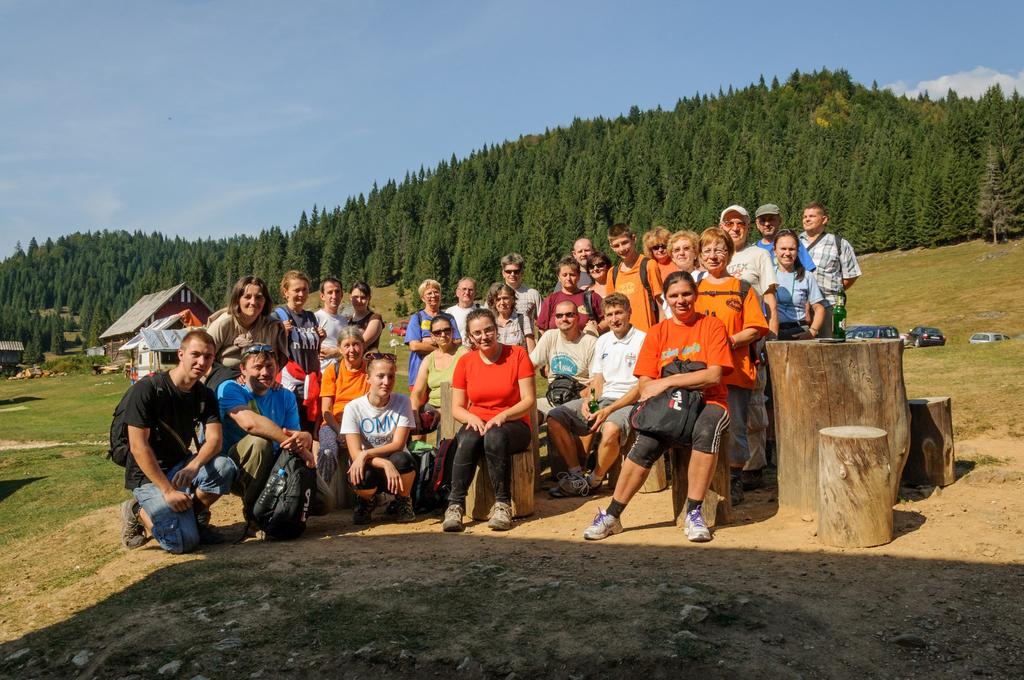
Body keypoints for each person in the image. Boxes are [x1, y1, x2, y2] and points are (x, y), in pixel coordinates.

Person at [582, 272, 733, 543]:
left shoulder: (712, 326)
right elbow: (646, 383)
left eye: (686, 294)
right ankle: (613, 515)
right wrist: (667, 385)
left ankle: (694, 512)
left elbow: (713, 376)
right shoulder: (658, 332)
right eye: (674, 296)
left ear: (695, 295)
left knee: (707, 429)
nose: (681, 300)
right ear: (666, 299)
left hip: (710, 400)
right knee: (647, 442)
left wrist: (670, 380)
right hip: (668, 404)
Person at [118, 330, 235, 554]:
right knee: (183, 543)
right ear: (180, 354)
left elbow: (214, 439)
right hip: (148, 476)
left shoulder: (204, 394)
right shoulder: (148, 390)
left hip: (180, 465)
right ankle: (137, 511)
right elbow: (138, 446)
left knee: (224, 467)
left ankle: (193, 517)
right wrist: (167, 490)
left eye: (208, 357)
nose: (202, 361)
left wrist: (193, 465)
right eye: (196, 354)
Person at [693, 228, 769, 505]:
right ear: (700, 256)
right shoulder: (694, 289)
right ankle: (705, 480)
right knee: (700, 426)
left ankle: (735, 481)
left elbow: (756, 328)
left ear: (729, 253)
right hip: (700, 373)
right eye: (707, 250)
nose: (713, 255)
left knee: (736, 427)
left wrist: (728, 341)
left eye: (719, 249)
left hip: (734, 370)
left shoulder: (743, 288)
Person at [442, 309, 536, 533]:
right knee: (466, 439)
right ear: (470, 336)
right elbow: (457, 407)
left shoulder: (518, 354)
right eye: (477, 333)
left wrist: (503, 415)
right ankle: (455, 505)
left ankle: (502, 504)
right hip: (479, 422)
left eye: (488, 330)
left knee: (495, 436)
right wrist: (471, 417)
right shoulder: (465, 362)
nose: (484, 336)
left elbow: (529, 399)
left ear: (496, 329)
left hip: (513, 423)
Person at [546, 293, 645, 497]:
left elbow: (641, 387)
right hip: (602, 399)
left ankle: (594, 480)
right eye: (609, 314)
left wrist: (609, 409)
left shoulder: (642, 340)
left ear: (629, 313)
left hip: (629, 402)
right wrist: (590, 400)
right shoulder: (603, 341)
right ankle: (576, 476)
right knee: (555, 417)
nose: (614, 319)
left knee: (610, 428)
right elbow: (597, 379)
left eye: (619, 313)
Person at [217, 343, 324, 520]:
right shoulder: (230, 388)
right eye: (257, 367)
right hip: (235, 470)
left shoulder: (285, 395)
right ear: (242, 369)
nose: (265, 373)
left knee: (324, 501)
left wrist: (304, 438)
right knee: (259, 442)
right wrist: (300, 448)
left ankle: (282, 507)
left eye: (269, 367)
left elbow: (293, 435)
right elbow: (250, 424)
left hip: (276, 464)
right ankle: (254, 516)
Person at [341, 354, 417, 525]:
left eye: (391, 376)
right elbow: (355, 454)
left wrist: (366, 453)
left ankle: (404, 500)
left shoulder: (403, 402)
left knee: (403, 459)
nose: (386, 381)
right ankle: (367, 500)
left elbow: (398, 444)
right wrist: (383, 463)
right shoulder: (353, 408)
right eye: (380, 376)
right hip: (370, 465)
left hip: (395, 464)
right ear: (368, 378)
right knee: (361, 473)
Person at [206, 275, 288, 390]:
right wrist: (231, 376)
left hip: (260, 382)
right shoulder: (222, 324)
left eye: (259, 297)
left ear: (265, 300)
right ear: (237, 299)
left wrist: (270, 378)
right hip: (223, 382)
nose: (253, 302)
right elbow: (203, 360)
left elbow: (275, 360)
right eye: (247, 297)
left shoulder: (272, 326)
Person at [799, 202, 862, 338]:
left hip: (829, 305)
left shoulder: (839, 244)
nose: (807, 219)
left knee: (829, 348)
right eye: (804, 216)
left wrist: (835, 293)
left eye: (811, 216)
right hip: (799, 308)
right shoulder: (795, 242)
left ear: (824, 219)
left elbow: (851, 276)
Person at [274, 271, 325, 434]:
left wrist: (320, 340)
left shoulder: (311, 316)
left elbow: (311, 349)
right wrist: (281, 333)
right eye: (296, 290)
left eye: (304, 290)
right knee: (290, 432)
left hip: (311, 387)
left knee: (309, 433)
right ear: (285, 292)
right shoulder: (278, 315)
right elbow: (269, 348)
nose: (301, 294)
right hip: (289, 387)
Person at [317, 327, 370, 484]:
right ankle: (323, 493)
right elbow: (326, 410)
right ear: (340, 348)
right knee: (327, 451)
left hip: (363, 424)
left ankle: (366, 495)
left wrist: (352, 433)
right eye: (347, 345)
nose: (352, 350)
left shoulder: (371, 370)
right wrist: (340, 430)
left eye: (356, 344)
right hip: (334, 423)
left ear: (363, 345)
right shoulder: (333, 370)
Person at [529, 299, 598, 415]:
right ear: (555, 319)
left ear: (578, 317)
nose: (564, 319)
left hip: (579, 399)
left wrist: (584, 400)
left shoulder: (591, 343)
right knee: (524, 414)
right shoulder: (550, 336)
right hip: (553, 398)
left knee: (557, 417)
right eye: (559, 316)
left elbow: (596, 384)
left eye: (569, 315)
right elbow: (528, 366)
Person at [720, 205, 779, 337]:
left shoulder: (760, 254)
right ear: (721, 227)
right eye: (729, 223)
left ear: (748, 227)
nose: (735, 228)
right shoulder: (714, 257)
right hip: (720, 331)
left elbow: (769, 297)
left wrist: (772, 337)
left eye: (740, 223)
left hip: (751, 331)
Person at [410, 315, 468, 431]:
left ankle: (442, 448)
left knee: (445, 426)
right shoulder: (428, 360)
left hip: (457, 406)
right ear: (432, 336)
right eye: (437, 332)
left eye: (447, 330)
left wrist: (444, 411)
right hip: (432, 407)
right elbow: (417, 392)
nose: (443, 335)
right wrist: (414, 413)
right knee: (404, 424)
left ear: (452, 331)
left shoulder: (464, 354)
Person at [404, 279, 462, 389]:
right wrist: (444, 344)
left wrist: (428, 341)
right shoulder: (417, 318)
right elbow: (414, 346)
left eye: (436, 292)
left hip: (445, 373)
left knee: (445, 403)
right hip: (418, 373)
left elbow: (458, 342)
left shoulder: (449, 318)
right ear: (422, 298)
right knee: (418, 405)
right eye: (429, 293)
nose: (433, 295)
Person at [606, 223, 664, 332]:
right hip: (623, 337)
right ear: (611, 247)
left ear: (633, 239)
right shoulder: (612, 273)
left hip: (647, 334)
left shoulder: (648, 266)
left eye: (625, 243)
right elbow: (610, 309)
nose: (622, 249)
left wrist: (660, 333)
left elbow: (660, 304)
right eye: (616, 245)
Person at [774, 230, 826, 340]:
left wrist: (812, 331)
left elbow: (819, 308)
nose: (787, 253)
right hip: (774, 332)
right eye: (783, 248)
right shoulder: (768, 274)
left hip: (800, 332)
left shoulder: (807, 276)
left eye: (791, 249)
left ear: (797, 251)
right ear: (775, 251)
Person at [536, 256, 604, 335]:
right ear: (558, 277)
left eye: (572, 275)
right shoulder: (550, 300)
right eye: (564, 275)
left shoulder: (591, 297)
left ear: (578, 276)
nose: (568, 278)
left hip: (586, 345)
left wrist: (597, 328)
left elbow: (607, 319)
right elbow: (542, 329)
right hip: (557, 347)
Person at [753, 204, 816, 272]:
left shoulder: (792, 243)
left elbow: (809, 271)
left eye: (771, 219)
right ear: (757, 224)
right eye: (763, 220)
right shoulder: (753, 249)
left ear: (780, 221)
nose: (767, 224)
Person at [487, 282, 536, 352]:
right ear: (494, 302)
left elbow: (532, 350)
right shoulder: (490, 322)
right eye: (498, 299)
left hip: (519, 361)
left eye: (505, 298)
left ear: (512, 299)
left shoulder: (522, 319)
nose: (502, 303)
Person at [499, 253, 542, 324]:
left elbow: (542, 324)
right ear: (503, 273)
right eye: (508, 271)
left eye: (516, 271)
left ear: (522, 273)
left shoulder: (533, 294)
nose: (512, 274)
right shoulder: (495, 294)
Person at [315, 277, 346, 372]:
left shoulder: (344, 321)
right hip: (322, 373)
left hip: (341, 372)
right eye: (330, 292)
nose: (334, 296)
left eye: (337, 292)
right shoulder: (316, 318)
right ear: (322, 296)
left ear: (342, 295)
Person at [346, 281, 384, 353]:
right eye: (356, 297)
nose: (359, 301)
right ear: (350, 297)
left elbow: (361, 345)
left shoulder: (375, 319)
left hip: (368, 363)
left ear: (369, 298)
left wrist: (334, 352)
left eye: (363, 297)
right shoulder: (348, 320)